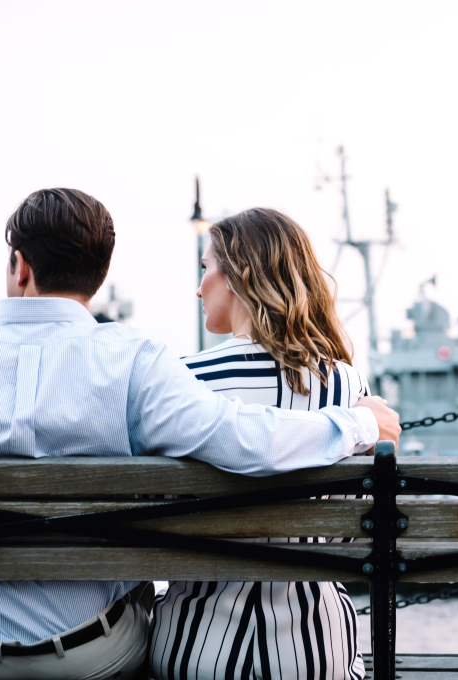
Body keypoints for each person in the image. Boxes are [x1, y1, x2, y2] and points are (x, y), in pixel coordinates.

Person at [0, 190, 400, 680]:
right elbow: (241, 439)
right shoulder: (134, 361)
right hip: (95, 654)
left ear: (20, 266)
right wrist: (357, 423)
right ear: (99, 277)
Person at [150, 208, 385, 680]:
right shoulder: (344, 388)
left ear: (239, 274)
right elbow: (348, 530)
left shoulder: (183, 382)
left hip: (193, 651)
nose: (199, 288)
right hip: (319, 651)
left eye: (205, 269)